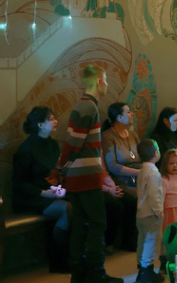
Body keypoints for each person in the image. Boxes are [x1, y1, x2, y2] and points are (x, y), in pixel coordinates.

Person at [55, 64, 123, 283]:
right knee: (97, 223)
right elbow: (74, 143)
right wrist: (60, 169)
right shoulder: (88, 107)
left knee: (81, 222)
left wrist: (63, 170)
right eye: (106, 80)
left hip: (78, 176)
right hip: (85, 176)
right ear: (99, 82)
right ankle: (95, 273)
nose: (107, 84)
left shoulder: (84, 105)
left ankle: (79, 273)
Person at [13, 106, 71, 273]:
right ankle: (59, 261)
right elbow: (19, 183)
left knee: (80, 201)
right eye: (51, 119)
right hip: (30, 197)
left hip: (50, 192)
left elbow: (56, 172)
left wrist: (58, 187)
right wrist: (44, 193)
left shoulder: (52, 144)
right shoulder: (26, 149)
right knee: (66, 209)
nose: (56, 121)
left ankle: (74, 255)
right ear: (40, 125)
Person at [102, 102, 140, 251]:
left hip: (138, 178)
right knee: (135, 198)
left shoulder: (133, 135)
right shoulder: (108, 136)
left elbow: (142, 157)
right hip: (121, 180)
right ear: (118, 117)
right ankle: (129, 240)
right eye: (128, 112)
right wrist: (136, 172)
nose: (131, 114)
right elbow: (112, 166)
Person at [136, 139, 164, 283]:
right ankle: (146, 271)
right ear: (155, 153)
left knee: (142, 240)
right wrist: (158, 211)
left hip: (141, 213)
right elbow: (154, 193)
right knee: (151, 241)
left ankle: (142, 268)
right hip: (151, 213)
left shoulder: (142, 170)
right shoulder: (153, 172)